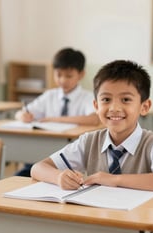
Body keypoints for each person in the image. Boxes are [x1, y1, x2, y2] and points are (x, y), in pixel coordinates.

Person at [31, 60, 153, 195]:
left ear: (144, 106)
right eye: (106, 99)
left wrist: (115, 180)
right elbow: (38, 168)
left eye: (125, 99)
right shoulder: (89, 141)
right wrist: (59, 177)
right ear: (96, 106)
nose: (114, 108)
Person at [14, 47, 100, 177]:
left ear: (81, 74)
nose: (63, 80)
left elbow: (93, 119)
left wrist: (54, 119)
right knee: (20, 177)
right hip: (40, 155)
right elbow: (21, 113)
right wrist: (23, 115)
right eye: (58, 75)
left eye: (69, 76)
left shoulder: (87, 97)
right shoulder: (49, 95)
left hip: (70, 162)